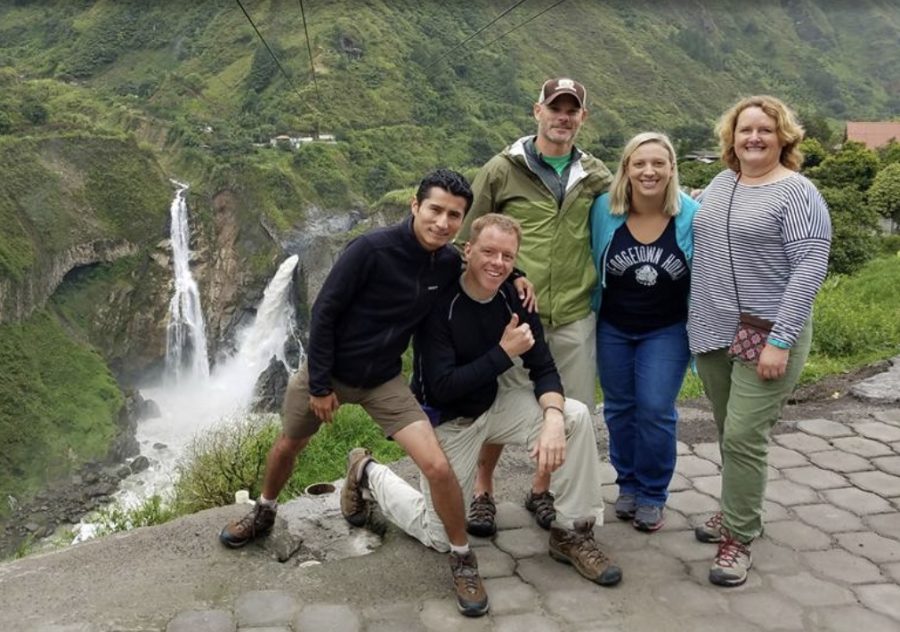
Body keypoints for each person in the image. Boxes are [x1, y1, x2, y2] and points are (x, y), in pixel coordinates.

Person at [218, 169, 502, 617]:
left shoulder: (447, 262)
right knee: (290, 444)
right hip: (329, 372)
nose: (443, 222)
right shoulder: (370, 250)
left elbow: (489, 263)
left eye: (454, 215)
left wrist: (518, 275)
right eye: (436, 210)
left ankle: (462, 556)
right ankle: (265, 511)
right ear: (415, 206)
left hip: (384, 381)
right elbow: (325, 312)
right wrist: (319, 385)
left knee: (436, 466)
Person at [342, 214, 621, 613]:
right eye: (488, 252)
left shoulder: (514, 298)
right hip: (450, 420)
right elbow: (442, 387)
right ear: (467, 251)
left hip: (494, 405)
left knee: (576, 416)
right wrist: (503, 353)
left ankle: (571, 531)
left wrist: (554, 419)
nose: (498, 262)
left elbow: (543, 367)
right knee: (439, 536)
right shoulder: (441, 304)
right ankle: (368, 472)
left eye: (508, 256)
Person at [458, 77, 613, 537]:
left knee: (571, 412)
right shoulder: (502, 169)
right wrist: (513, 273)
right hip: (510, 317)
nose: (562, 116)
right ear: (537, 111)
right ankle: (483, 490)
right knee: (499, 402)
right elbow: (470, 236)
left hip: (573, 315)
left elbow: (647, 194)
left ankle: (542, 490)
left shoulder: (595, 175)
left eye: (572, 110)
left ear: (582, 117)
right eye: (554, 107)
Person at [688, 96, 831, 587]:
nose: (753, 138)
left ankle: (739, 536)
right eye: (744, 130)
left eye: (765, 131)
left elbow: (810, 266)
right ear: (731, 138)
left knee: (745, 434)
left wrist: (783, 338)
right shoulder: (722, 183)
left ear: (783, 138)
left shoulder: (797, 193)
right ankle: (736, 510)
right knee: (730, 429)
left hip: (769, 332)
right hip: (715, 328)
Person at [589, 132, 698, 533]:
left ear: (671, 168)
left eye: (658, 163)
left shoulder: (690, 215)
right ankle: (629, 484)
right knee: (619, 409)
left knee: (654, 408)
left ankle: (653, 492)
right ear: (626, 169)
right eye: (639, 163)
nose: (648, 171)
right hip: (613, 326)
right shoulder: (605, 210)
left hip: (666, 329)